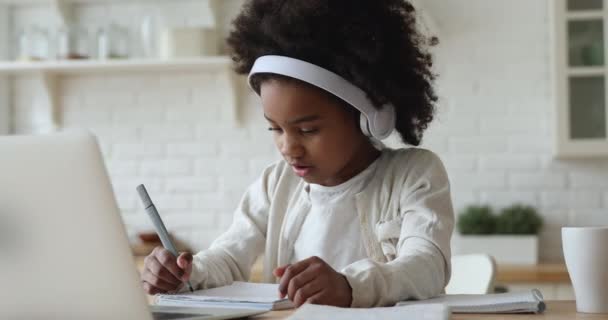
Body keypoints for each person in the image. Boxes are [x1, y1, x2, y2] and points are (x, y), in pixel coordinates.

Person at [141, 0, 454, 308]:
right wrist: (188, 272)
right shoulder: (274, 183)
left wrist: (349, 286)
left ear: (368, 116)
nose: (288, 148)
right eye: (275, 129)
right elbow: (229, 256)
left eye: (307, 130)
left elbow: (426, 266)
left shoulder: (414, 174)